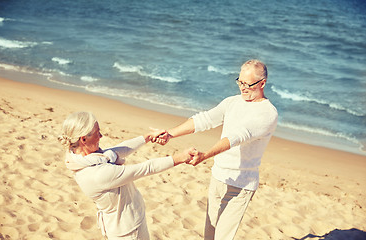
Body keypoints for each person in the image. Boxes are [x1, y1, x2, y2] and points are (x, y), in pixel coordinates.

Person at [153, 59, 278, 240]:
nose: (242, 88)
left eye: (248, 84)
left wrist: (205, 155)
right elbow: (205, 119)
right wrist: (170, 134)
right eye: (240, 82)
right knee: (209, 236)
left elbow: (237, 137)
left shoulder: (268, 113)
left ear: (262, 83)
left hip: (240, 186)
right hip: (218, 177)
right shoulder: (232, 102)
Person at [58, 111, 196, 240]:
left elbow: (116, 151)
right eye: (97, 133)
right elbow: (146, 168)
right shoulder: (98, 174)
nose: (101, 136)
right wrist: (181, 157)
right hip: (128, 231)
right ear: (83, 139)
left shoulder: (80, 157)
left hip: (125, 224)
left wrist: (148, 137)